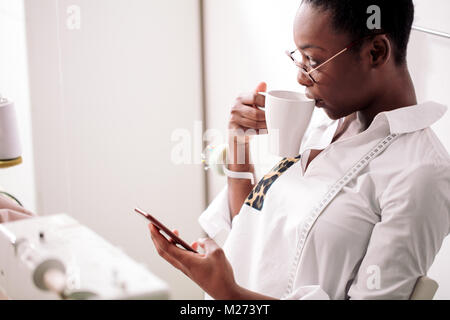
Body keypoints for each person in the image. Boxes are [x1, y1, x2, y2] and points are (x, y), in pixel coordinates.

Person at [148, 0, 450, 299]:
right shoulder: (322, 124)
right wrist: (238, 148)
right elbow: (258, 231)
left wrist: (229, 294)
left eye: (314, 62)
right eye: (299, 59)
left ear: (376, 52)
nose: (300, 77)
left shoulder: (421, 174)